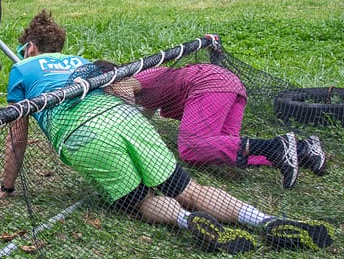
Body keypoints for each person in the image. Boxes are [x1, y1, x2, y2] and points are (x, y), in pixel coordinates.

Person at [0, 11, 334, 254]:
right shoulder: (81, 62)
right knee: (189, 187)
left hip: (84, 136)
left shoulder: (22, 70)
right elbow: (123, 89)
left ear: (29, 48)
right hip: (127, 121)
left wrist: (6, 187)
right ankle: (266, 220)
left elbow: (17, 138)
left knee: (140, 200)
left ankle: (187, 220)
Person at [95, 61, 327, 189]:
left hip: (209, 84)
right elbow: (145, 116)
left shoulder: (126, 80)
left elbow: (125, 94)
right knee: (222, 153)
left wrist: (116, 110)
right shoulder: (144, 84)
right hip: (228, 85)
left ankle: (275, 146)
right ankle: (303, 150)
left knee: (192, 147)